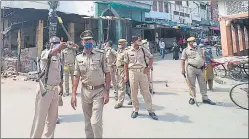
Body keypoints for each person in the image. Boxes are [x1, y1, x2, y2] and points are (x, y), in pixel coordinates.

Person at [71, 30, 111, 138]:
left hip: (99, 91)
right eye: (85, 40)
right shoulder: (78, 58)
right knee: (88, 123)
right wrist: (73, 94)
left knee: (95, 122)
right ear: (82, 42)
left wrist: (107, 92)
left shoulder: (100, 55)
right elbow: (76, 76)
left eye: (90, 39)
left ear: (93, 41)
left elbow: (107, 73)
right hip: (85, 92)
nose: (88, 41)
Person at [30, 36, 71, 138]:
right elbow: (52, 52)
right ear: (51, 44)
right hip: (44, 91)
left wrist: (60, 86)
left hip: (54, 91)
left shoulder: (58, 57)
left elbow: (57, 73)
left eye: (58, 42)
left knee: (52, 120)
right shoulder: (46, 53)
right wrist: (59, 47)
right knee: (40, 119)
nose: (58, 44)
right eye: (55, 43)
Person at [124, 35, 158, 120]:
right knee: (134, 93)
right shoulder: (128, 51)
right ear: (134, 41)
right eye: (139, 40)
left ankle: (150, 110)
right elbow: (125, 64)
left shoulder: (143, 49)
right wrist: (126, 75)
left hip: (142, 72)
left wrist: (149, 67)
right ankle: (135, 110)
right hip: (132, 72)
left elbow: (151, 57)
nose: (140, 42)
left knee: (146, 92)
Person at [181, 37, 216, 105]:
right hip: (191, 69)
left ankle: (205, 98)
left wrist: (204, 63)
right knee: (192, 84)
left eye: (194, 41)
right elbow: (182, 60)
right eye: (193, 41)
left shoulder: (199, 48)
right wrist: (182, 70)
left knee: (203, 84)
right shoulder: (185, 50)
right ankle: (192, 98)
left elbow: (202, 56)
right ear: (189, 42)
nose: (194, 42)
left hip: (201, 69)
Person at [114, 39, 132, 109]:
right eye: (119, 43)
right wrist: (116, 69)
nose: (120, 45)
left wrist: (125, 74)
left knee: (122, 86)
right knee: (127, 87)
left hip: (124, 70)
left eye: (121, 44)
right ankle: (132, 99)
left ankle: (120, 103)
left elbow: (126, 63)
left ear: (125, 44)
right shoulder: (119, 51)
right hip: (119, 69)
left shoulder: (127, 51)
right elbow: (117, 60)